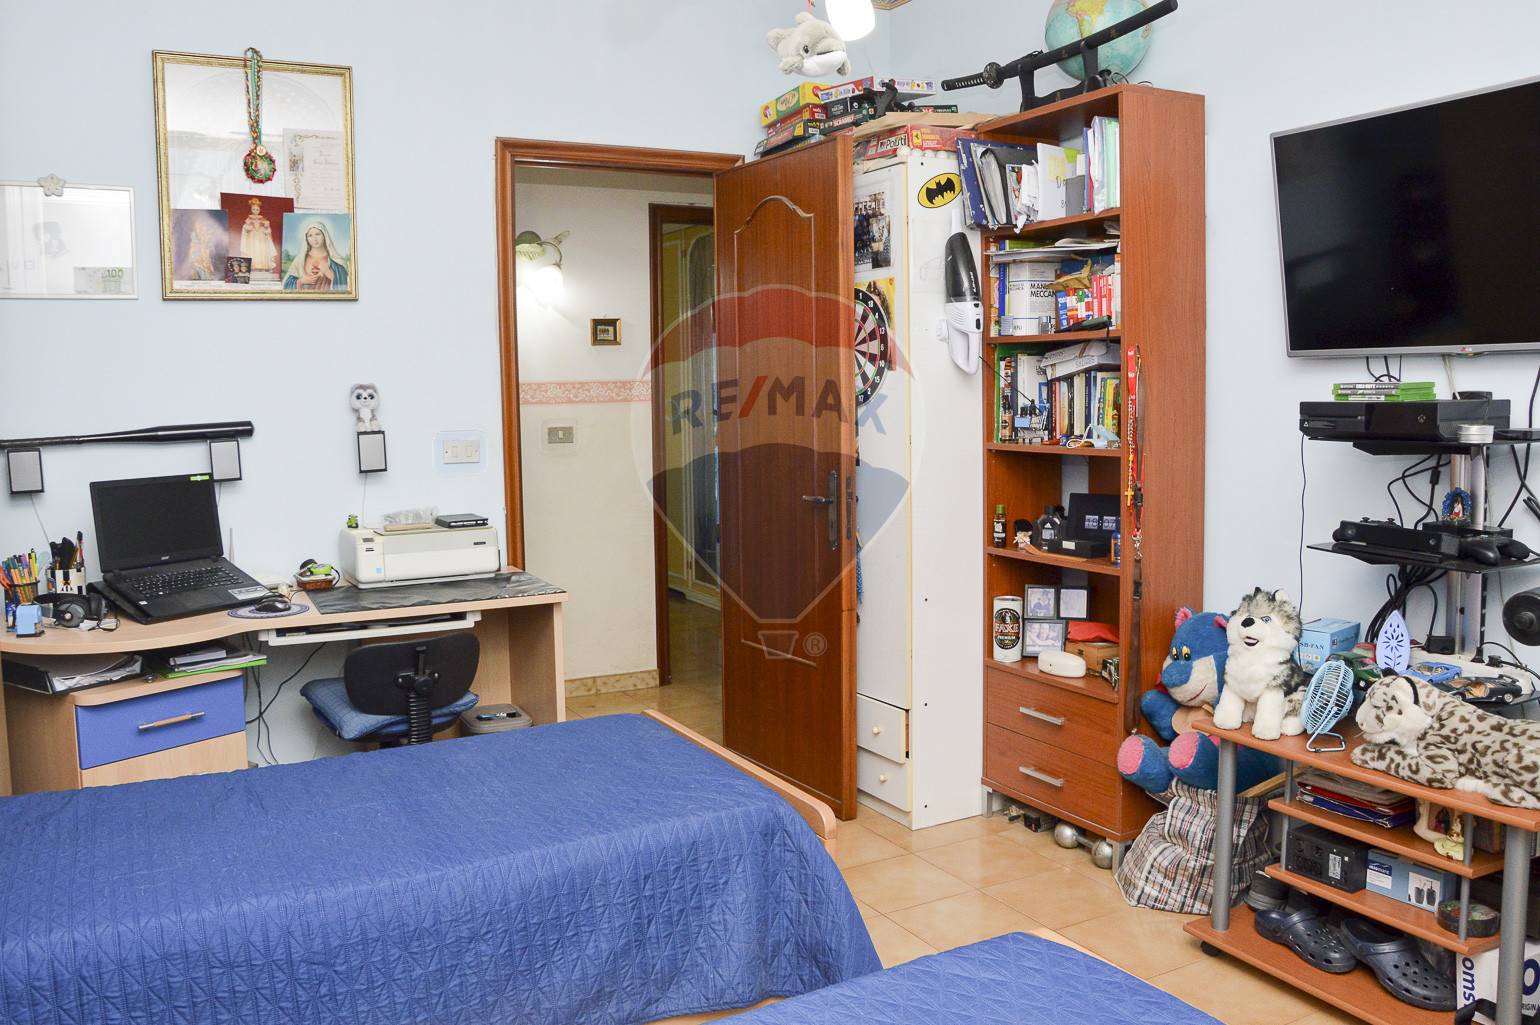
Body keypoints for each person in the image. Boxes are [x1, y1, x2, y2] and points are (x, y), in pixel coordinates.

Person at [283, 221, 349, 291]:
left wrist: (331, 275)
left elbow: (346, 285)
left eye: (317, 234)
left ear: (324, 235)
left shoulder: (335, 260)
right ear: (306, 239)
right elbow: (286, 285)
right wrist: (301, 281)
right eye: (310, 235)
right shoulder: (300, 259)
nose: (314, 239)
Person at [239, 198, 278, 274]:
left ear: (259, 210)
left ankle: (263, 267)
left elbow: (268, 231)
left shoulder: (263, 220)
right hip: (252, 239)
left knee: (262, 251)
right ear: (251, 209)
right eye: (254, 209)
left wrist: (266, 227)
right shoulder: (248, 219)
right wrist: (249, 226)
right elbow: (245, 229)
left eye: (257, 209)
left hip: (261, 239)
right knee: (252, 251)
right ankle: (252, 267)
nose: (255, 211)